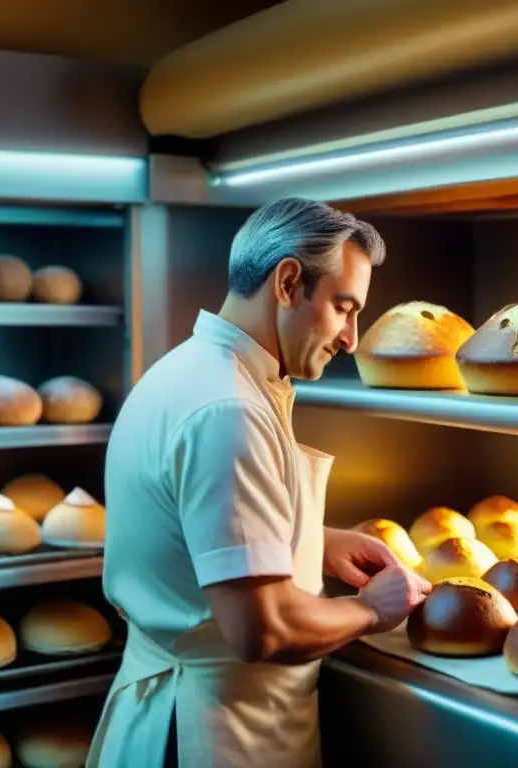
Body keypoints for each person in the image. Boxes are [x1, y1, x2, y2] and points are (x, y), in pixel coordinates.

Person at [87, 198, 432, 768]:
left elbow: (188, 523)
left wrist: (311, 541)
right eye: (344, 308)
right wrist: (373, 609)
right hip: (211, 734)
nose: (351, 337)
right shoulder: (229, 407)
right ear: (289, 282)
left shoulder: (185, 370)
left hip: (187, 711)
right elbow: (262, 628)